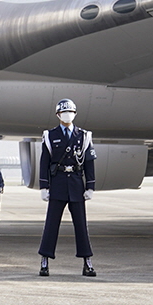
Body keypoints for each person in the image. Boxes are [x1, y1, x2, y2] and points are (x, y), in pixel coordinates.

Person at [38, 99, 97, 277]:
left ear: (75, 114)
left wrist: (90, 186)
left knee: (81, 226)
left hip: (77, 185)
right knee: (51, 225)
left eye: (70, 112)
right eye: (64, 112)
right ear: (58, 115)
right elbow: (44, 162)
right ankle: (44, 261)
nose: (67, 115)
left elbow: (89, 162)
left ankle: (87, 262)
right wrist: (44, 186)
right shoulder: (50, 135)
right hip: (58, 184)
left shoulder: (84, 135)